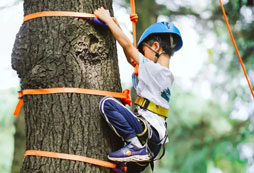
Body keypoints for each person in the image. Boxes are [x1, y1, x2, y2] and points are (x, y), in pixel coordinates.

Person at [94, 7, 183, 171]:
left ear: (156, 46)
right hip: (153, 143)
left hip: (146, 135)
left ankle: (135, 147)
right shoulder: (163, 74)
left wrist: (106, 20)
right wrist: (117, 25)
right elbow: (131, 57)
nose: (140, 54)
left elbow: (128, 47)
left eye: (143, 50)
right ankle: (134, 152)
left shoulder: (155, 70)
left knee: (107, 104)